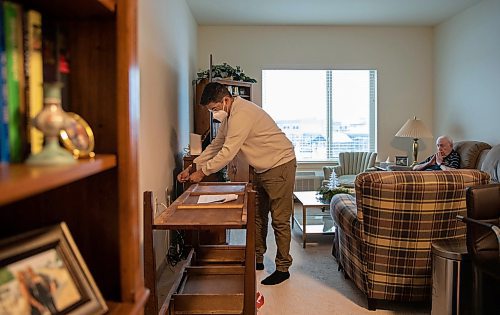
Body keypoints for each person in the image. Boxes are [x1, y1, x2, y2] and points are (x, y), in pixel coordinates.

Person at [177, 82, 296, 285]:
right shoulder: (230, 116)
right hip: (259, 167)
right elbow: (216, 145)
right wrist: (193, 166)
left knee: (279, 219)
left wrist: (202, 173)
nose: (214, 113)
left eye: (214, 109)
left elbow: (227, 152)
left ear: (225, 100)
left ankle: (283, 268)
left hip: (280, 164)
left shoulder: (242, 114)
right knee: (258, 216)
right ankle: (257, 259)